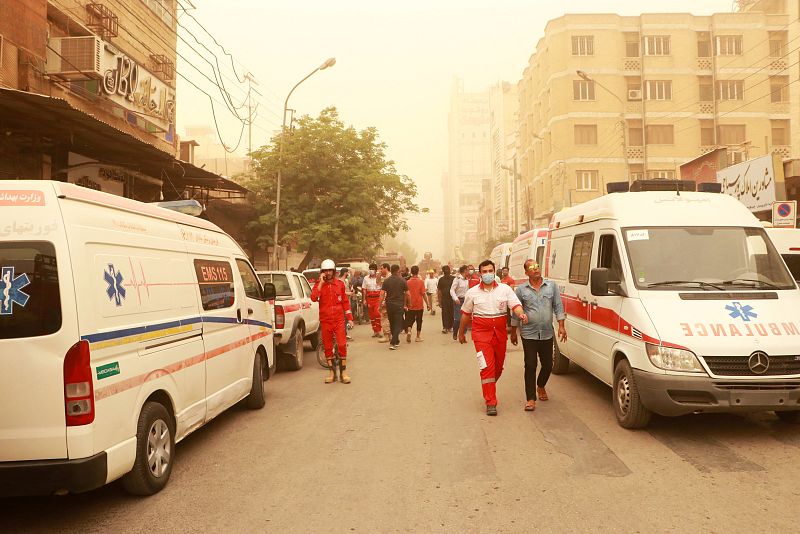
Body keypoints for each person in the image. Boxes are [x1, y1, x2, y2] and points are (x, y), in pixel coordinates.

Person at [458, 259, 528, 416]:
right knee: (487, 368)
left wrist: (521, 314)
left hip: (500, 334)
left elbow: (515, 305)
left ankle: (488, 386)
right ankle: (491, 401)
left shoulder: (505, 290)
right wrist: (461, 332)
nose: (488, 274)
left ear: (494, 272)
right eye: (484, 272)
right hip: (481, 335)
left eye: (490, 271)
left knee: (498, 368)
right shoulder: (472, 292)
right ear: (480, 274)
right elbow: (466, 315)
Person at [510, 259, 567, 411]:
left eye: (537, 266)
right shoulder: (521, 290)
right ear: (526, 272)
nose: (535, 269)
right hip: (528, 333)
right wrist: (513, 332)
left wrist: (561, 325)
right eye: (531, 267)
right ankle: (530, 398)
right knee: (530, 365)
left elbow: (558, 306)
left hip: (547, 333)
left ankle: (540, 385)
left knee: (548, 365)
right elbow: (516, 311)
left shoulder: (551, 286)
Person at [311, 259, 354, 384]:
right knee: (328, 347)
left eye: (330, 270)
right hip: (325, 321)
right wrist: (320, 283)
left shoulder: (339, 284)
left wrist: (350, 318)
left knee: (341, 345)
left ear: (334, 271)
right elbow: (314, 298)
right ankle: (332, 373)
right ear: (322, 272)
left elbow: (345, 302)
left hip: (339, 320)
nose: (328, 273)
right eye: (325, 271)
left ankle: (343, 372)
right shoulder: (319, 285)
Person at [380, 264, 408, 350]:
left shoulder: (386, 281)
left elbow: (382, 293)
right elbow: (407, 294)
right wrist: (406, 304)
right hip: (399, 305)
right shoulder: (402, 281)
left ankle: (396, 340)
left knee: (392, 323)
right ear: (398, 270)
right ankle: (393, 342)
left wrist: (380, 304)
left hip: (389, 305)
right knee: (398, 324)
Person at [404, 265, 429, 343]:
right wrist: (428, 304)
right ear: (418, 272)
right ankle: (418, 337)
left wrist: (405, 304)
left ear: (411, 272)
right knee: (419, 320)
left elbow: (405, 294)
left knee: (409, 320)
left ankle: (409, 330)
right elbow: (424, 294)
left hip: (410, 304)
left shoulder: (407, 282)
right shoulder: (421, 282)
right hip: (419, 305)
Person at [362, 263, 384, 338]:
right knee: (371, 316)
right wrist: (364, 299)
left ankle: (379, 330)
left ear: (375, 270)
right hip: (369, 298)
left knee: (377, 314)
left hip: (377, 298)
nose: (371, 270)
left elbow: (382, 288)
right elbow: (364, 289)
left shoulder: (379, 278)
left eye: (373, 269)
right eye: (370, 269)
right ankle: (375, 331)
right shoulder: (366, 278)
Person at [449, 265, 469, 340]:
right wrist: (455, 298)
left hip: (465, 300)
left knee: (466, 318)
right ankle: (455, 332)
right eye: (467, 270)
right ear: (464, 271)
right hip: (458, 300)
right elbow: (452, 290)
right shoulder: (457, 279)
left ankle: (463, 335)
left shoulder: (467, 280)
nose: (469, 272)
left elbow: (467, 290)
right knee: (458, 319)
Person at [437, 265, 455, 334]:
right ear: (443, 271)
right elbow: (439, 291)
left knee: (451, 313)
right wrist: (439, 301)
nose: (447, 271)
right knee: (444, 313)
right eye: (446, 270)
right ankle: (445, 327)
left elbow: (456, 289)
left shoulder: (454, 278)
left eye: (448, 269)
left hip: (452, 299)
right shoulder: (441, 279)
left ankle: (450, 326)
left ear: (450, 270)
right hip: (444, 299)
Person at [338, 267, 354, 340]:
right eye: (347, 272)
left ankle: (345, 333)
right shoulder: (339, 281)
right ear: (345, 273)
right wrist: (349, 293)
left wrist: (351, 290)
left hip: (347, 301)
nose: (348, 274)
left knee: (346, 318)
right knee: (343, 319)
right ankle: (343, 334)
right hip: (341, 303)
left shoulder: (346, 281)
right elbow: (341, 293)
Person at [377, 262, 391, 342]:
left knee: (384, 318)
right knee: (389, 319)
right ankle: (390, 335)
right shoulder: (387, 277)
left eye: (382, 268)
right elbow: (378, 284)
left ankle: (386, 336)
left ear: (386, 268)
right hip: (390, 301)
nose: (380, 270)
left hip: (386, 301)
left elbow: (383, 292)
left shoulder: (388, 278)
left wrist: (381, 303)